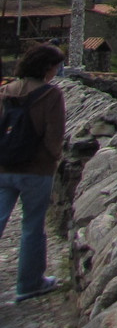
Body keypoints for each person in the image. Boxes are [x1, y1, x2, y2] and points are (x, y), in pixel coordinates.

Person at [0, 44, 66, 303]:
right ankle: (30, 284)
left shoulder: (6, 91)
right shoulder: (51, 95)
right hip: (37, 170)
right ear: (47, 68)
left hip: (4, 167)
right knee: (32, 227)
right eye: (56, 66)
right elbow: (54, 137)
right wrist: (55, 158)